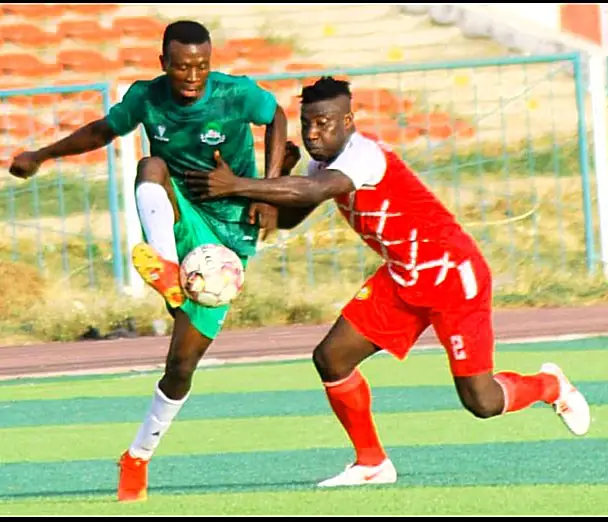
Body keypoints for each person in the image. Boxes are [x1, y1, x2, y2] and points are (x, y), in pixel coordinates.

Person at [182, 76, 591, 488]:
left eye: (323, 123)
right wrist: (278, 178)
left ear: (348, 121)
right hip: (401, 276)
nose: (312, 133)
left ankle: (549, 385)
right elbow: (290, 215)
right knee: (332, 358)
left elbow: (311, 192)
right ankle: (372, 463)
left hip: (451, 275)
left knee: (481, 401)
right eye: (306, 123)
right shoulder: (321, 165)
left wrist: (238, 185)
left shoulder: (365, 155)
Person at [8, 20, 287, 501]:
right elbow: (101, 130)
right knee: (150, 165)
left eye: (201, 66)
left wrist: (269, 189)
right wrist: (42, 155)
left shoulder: (234, 94)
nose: (193, 76)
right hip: (179, 207)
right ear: (164, 64)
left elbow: (277, 116)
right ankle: (166, 268)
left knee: (181, 365)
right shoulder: (147, 97)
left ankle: (136, 455)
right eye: (182, 67)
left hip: (230, 228)